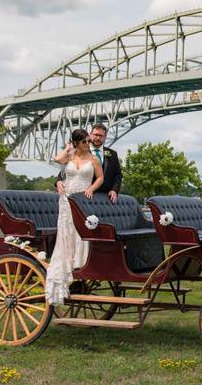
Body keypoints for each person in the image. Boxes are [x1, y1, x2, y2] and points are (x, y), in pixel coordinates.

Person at [45, 128, 103, 305]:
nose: (88, 143)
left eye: (88, 141)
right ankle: (66, 261)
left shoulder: (93, 159)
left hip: (83, 198)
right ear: (77, 142)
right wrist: (68, 147)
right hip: (66, 198)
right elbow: (57, 160)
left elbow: (100, 178)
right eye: (84, 141)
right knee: (66, 229)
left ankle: (80, 260)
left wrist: (91, 189)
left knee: (80, 228)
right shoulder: (69, 156)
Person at [56, 123, 121, 202]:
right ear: (90, 134)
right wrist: (59, 181)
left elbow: (118, 175)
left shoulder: (113, 154)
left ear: (105, 137)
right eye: (95, 135)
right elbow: (67, 169)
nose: (97, 138)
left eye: (101, 136)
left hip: (104, 197)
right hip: (82, 194)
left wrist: (114, 190)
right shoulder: (78, 151)